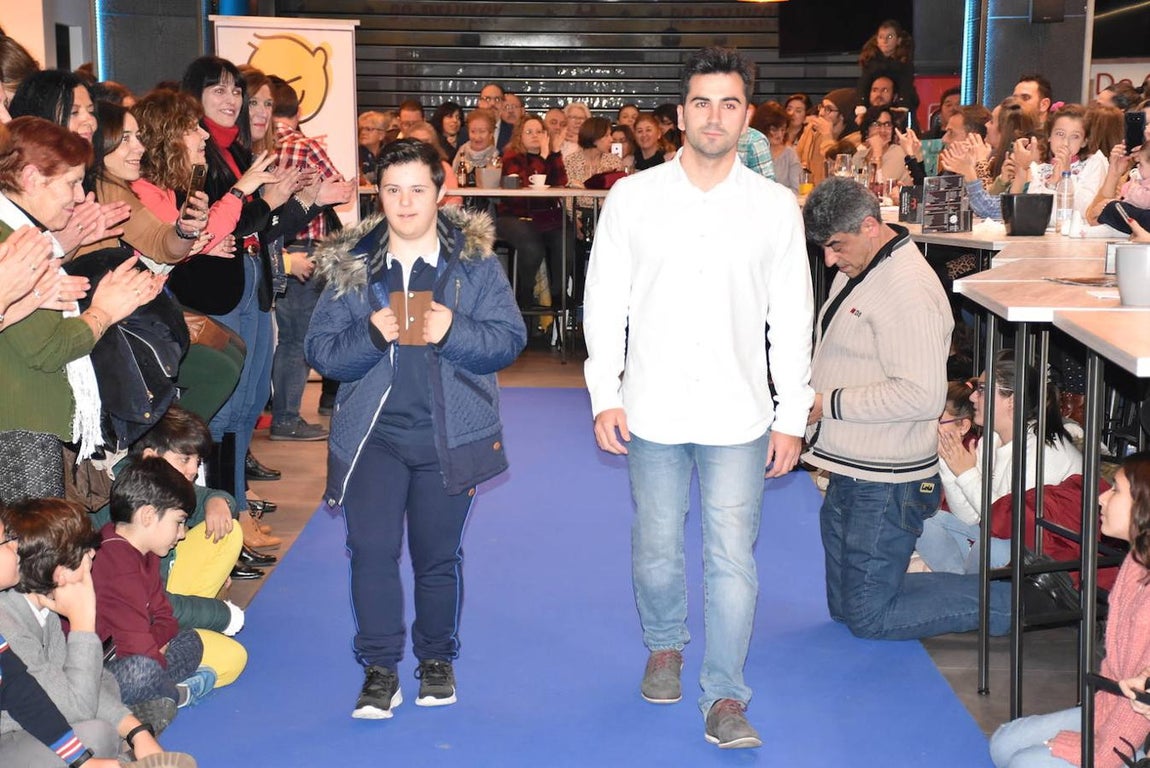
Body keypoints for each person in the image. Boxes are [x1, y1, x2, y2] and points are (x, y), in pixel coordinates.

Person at [583, 46, 814, 749]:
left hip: (739, 415)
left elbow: (793, 316)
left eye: (730, 104)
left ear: (748, 117)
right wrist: (604, 392)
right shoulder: (633, 196)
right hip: (650, 408)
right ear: (681, 113)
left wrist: (790, 413)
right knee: (655, 547)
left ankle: (725, 696)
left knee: (732, 559)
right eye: (702, 103)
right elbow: (604, 302)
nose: (715, 117)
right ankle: (663, 645)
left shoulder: (775, 208)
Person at [304, 139, 526, 720]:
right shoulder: (353, 262)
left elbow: (507, 340)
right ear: (378, 193)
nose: (405, 203)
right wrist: (372, 335)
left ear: (441, 191)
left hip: (450, 438)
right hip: (373, 438)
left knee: (436, 557)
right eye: (393, 190)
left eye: (418, 190)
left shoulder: (474, 262)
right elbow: (323, 352)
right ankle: (379, 669)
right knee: (370, 551)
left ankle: (436, 659)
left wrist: (453, 329)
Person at [802, 177, 1012, 641]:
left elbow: (921, 395)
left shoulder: (908, 289)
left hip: (887, 478)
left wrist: (826, 404)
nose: (829, 259)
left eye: (836, 245)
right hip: (852, 465)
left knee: (869, 617)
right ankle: (979, 591)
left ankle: (1014, 603)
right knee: (845, 609)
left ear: (871, 226)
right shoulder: (863, 265)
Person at [0, 117, 162, 503]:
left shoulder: (25, 233)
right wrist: (105, 311)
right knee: (36, 553)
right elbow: (48, 349)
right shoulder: (16, 241)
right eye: (71, 183)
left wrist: (66, 243)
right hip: (23, 426)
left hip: (29, 421)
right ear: (32, 178)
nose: (78, 196)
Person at [989, 452, 1150, 768]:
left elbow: (1139, 702)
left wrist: (1100, 751)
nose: (1102, 498)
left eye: (1115, 490)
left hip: (1137, 728)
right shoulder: (1135, 562)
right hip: (1115, 708)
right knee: (1003, 744)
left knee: (1024, 764)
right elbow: (1120, 680)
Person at [0, 512, 197, 768]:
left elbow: (90, 684)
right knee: (97, 732)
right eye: (5, 539)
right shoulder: (11, 622)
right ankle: (121, 752)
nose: (16, 546)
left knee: (102, 708)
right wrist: (83, 619)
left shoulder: (44, 611)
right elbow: (73, 704)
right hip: (14, 736)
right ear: (61, 574)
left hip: (51, 719)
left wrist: (136, 731)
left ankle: (123, 750)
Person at [91, 457, 217, 714]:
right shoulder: (114, 561)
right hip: (94, 671)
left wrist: (154, 643)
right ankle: (173, 694)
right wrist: (152, 649)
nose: (182, 534)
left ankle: (155, 696)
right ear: (148, 515)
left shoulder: (145, 553)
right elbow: (138, 653)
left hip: (130, 651)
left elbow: (166, 618)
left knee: (190, 640)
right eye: (179, 522)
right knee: (142, 672)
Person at [268, 76, 353, 443]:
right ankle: (287, 419)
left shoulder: (262, 148)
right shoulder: (304, 146)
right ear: (299, 112)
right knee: (297, 340)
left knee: (285, 338)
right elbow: (338, 188)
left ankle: (279, 413)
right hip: (306, 247)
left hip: (273, 249)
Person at [497, 114, 571, 309]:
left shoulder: (549, 154)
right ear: (519, 135)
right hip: (514, 215)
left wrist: (554, 153)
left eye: (539, 131)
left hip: (544, 216)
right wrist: (544, 157)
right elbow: (525, 188)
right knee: (532, 245)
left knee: (565, 236)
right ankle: (524, 294)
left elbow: (560, 182)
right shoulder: (512, 156)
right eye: (529, 131)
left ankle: (558, 294)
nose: (534, 135)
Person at [857, 20, 918, 124]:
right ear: (877, 40)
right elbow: (864, 84)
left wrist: (902, 107)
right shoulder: (869, 60)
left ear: (898, 40)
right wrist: (861, 106)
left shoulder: (904, 62)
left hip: (899, 103)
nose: (885, 41)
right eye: (881, 37)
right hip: (873, 106)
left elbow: (905, 85)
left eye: (889, 37)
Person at [796, 88, 860, 185]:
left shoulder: (856, 140)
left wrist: (827, 136)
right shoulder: (813, 131)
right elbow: (797, 158)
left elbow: (838, 171)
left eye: (828, 109)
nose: (821, 113)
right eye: (821, 107)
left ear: (843, 115)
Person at [750, 101, 801, 193]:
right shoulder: (749, 151)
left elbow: (797, 189)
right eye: (774, 130)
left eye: (783, 129)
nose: (780, 134)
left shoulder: (790, 154)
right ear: (761, 128)